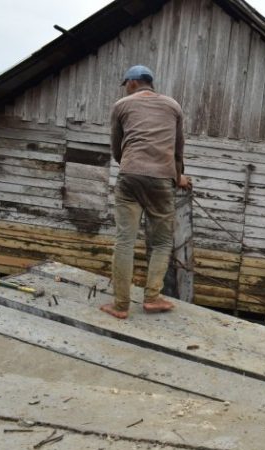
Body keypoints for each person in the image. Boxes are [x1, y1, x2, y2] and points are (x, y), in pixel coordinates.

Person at [101, 65, 191, 319]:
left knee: (125, 241)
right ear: (149, 82)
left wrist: (132, 165)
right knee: (162, 241)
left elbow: (116, 149)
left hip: (129, 177)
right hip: (163, 179)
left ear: (131, 83)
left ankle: (120, 306)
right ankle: (152, 298)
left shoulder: (122, 105)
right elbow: (178, 150)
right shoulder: (173, 106)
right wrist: (178, 176)